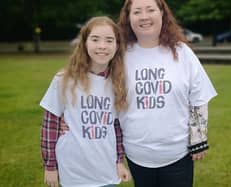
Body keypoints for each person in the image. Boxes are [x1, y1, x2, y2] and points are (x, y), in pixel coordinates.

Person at [61, 0, 217, 186]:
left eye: (150, 10)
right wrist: (71, 116)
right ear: (128, 18)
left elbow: (198, 97)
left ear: (162, 14)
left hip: (178, 154)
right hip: (136, 155)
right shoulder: (119, 54)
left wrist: (199, 138)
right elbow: (93, 82)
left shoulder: (182, 53)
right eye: (137, 12)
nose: (144, 16)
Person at [40, 16, 131, 187]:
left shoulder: (117, 83)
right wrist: (50, 166)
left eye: (109, 40)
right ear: (84, 43)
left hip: (105, 171)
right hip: (73, 171)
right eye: (95, 39)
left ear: (117, 45)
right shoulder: (64, 80)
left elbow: (116, 127)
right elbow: (50, 125)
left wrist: (119, 161)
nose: (102, 46)